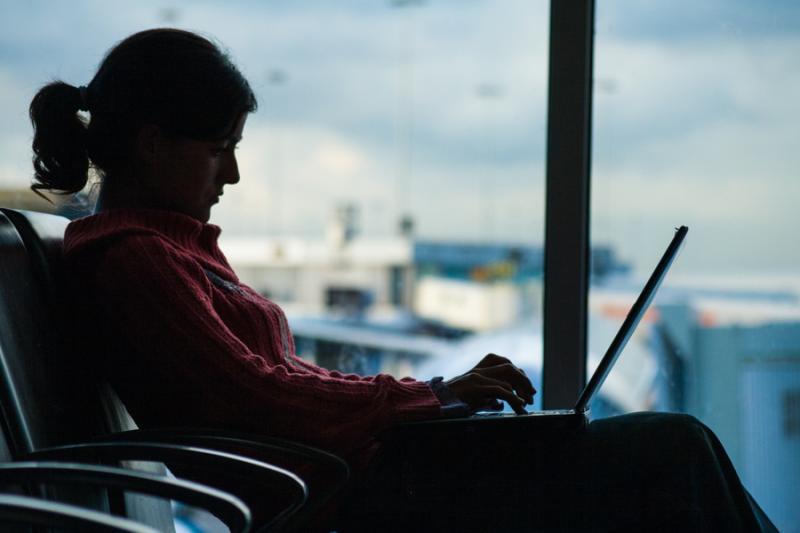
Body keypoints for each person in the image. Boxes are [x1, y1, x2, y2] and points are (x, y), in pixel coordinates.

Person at [28, 28, 773, 532]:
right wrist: (434, 394)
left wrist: (432, 402)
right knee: (673, 450)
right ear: (154, 144)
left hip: (369, 475)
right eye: (220, 148)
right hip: (355, 498)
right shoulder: (137, 262)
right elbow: (260, 397)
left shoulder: (166, 251)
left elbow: (270, 385)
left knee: (678, 456)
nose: (234, 173)